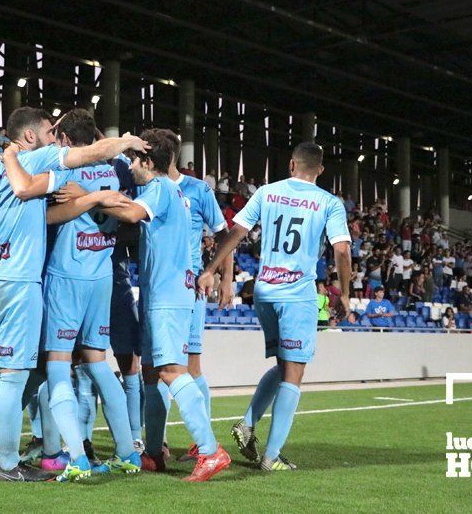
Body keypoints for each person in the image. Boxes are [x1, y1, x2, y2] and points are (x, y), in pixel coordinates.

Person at [0, 106, 147, 482]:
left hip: (6, 277)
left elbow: (47, 213)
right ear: (30, 137)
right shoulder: (38, 161)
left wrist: (86, 197)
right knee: (32, 374)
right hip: (62, 280)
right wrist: (123, 146)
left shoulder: (1, 168)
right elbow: (94, 166)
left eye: (58, 133)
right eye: (47, 132)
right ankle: (11, 461)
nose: (53, 138)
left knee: (6, 371)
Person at [199, 141, 351, 473]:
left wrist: (211, 270)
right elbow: (341, 251)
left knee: (284, 367)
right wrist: (346, 293)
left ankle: (248, 424)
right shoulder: (329, 202)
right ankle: (271, 455)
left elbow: (237, 231)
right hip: (296, 294)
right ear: (320, 170)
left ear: (292, 165)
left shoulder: (268, 191)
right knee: (294, 374)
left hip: (264, 291)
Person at [97, 129, 229, 481]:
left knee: (172, 372)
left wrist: (86, 196)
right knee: (152, 374)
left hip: (169, 296)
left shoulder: (159, 189)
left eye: (135, 159)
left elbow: (129, 213)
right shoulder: (172, 191)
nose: (131, 167)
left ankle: (211, 451)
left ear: (147, 161)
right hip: (164, 293)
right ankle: (153, 454)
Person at [28, 108, 141, 479]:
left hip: (67, 275)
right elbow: (127, 212)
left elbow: (46, 218)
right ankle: (128, 452)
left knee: (58, 365)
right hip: (102, 275)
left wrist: (83, 197)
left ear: (63, 139)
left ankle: (74, 458)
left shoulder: (63, 170)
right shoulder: (112, 172)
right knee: (98, 363)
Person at [162, 134, 234, 462]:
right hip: (157, 287)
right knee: (155, 365)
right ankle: (155, 444)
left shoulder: (198, 189)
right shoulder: (148, 186)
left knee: (189, 365)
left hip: (189, 289)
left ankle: (202, 443)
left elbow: (226, 235)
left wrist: (223, 276)